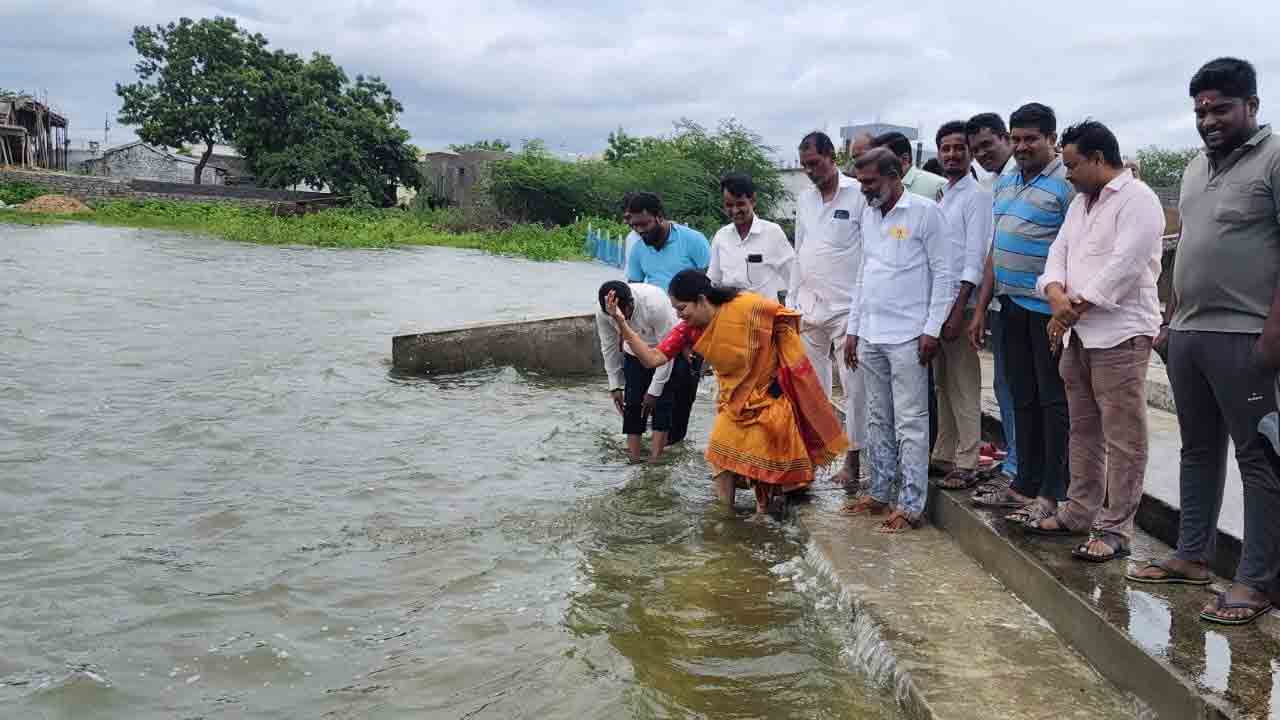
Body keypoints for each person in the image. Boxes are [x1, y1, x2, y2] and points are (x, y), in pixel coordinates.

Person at [1128, 58, 1280, 627]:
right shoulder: (1194, 169)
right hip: (1189, 332)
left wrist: (1273, 334)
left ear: (1252, 106)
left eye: (1220, 108)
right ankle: (1191, 554)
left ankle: (1258, 579)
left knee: (1259, 458)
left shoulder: (1274, 158)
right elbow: (1188, 247)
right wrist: (1170, 320)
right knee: (1197, 449)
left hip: (1247, 337)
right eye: (1200, 110)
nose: (1209, 119)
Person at [1024, 121, 1164, 562]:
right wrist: (1054, 295)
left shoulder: (1139, 200)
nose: (1068, 175)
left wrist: (1071, 309)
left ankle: (1117, 527)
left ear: (1100, 159)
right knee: (1082, 427)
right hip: (1078, 333)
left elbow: (1124, 266)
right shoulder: (1080, 205)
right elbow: (1057, 256)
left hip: (1120, 333)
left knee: (1123, 436)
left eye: (1073, 165)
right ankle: (1080, 511)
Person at [605, 270, 848, 519]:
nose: (678, 315)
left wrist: (780, 377)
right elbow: (652, 358)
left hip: (771, 395)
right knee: (720, 456)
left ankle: (762, 514)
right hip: (734, 400)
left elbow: (785, 324)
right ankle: (724, 515)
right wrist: (621, 323)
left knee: (764, 449)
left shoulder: (747, 306)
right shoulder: (687, 330)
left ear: (701, 299)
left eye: (682, 308)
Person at [969, 103, 1075, 526]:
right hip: (1009, 306)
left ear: (1052, 139)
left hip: (1046, 312)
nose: (1022, 146)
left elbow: (1076, 247)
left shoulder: (1067, 182)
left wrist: (1063, 309)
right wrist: (981, 308)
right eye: (1016, 138)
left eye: (1031, 139)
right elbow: (996, 248)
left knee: (1053, 402)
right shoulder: (1006, 181)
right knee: (1021, 398)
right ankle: (1023, 484)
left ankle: (1054, 491)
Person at [841, 148, 952, 532]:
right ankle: (880, 492)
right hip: (870, 333)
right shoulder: (869, 215)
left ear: (895, 175)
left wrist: (931, 329)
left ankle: (910, 505)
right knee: (877, 418)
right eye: (860, 182)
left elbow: (944, 275)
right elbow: (863, 275)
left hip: (909, 335)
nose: (864, 189)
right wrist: (853, 330)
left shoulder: (925, 212)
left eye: (870, 182)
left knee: (911, 422)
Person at [790, 131, 868, 487]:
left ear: (832, 157)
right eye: (805, 166)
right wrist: (791, 304)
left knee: (854, 389)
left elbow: (870, 254)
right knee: (810, 388)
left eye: (816, 164)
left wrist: (862, 311)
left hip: (847, 309)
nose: (811, 172)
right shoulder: (804, 199)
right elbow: (799, 252)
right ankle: (814, 457)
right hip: (808, 309)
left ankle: (853, 463)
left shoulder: (858, 194)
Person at [931, 121, 993, 490]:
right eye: (946, 148)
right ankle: (945, 452)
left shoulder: (978, 196)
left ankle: (968, 460)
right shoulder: (945, 194)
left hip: (961, 304)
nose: (952, 154)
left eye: (959, 148)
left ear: (969, 152)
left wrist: (960, 309)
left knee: (964, 383)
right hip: (938, 304)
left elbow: (975, 256)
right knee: (942, 383)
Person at [965, 112, 1020, 488]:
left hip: (1035, 304)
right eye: (976, 149)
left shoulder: (1035, 178)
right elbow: (993, 251)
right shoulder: (996, 186)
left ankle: (1027, 467)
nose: (982, 154)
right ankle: (1016, 460)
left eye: (988, 144)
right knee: (1006, 386)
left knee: (1028, 391)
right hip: (1001, 302)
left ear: (1006, 138)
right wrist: (981, 307)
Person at [594, 280, 688, 463]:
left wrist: (654, 391)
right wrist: (615, 386)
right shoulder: (603, 310)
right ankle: (634, 459)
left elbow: (667, 351)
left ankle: (655, 460)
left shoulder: (655, 304)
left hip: (663, 350)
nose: (617, 320)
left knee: (662, 403)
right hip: (633, 353)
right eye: (611, 317)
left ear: (630, 304)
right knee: (632, 405)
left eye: (621, 316)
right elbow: (609, 347)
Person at [709, 173, 795, 302]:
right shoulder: (721, 236)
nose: (735, 210)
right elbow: (714, 281)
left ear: (753, 200)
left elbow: (793, 278)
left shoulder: (772, 233)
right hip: (730, 316)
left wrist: (789, 312)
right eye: (729, 205)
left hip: (764, 316)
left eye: (740, 204)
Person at [625, 192, 711, 290]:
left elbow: (711, 280)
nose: (639, 230)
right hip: (655, 304)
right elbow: (634, 289)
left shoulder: (693, 239)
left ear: (660, 217)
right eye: (635, 225)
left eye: (644, 224)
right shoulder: (638, 249)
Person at [871, 131, 948, 202]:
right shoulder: (875, 186)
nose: (876, 165)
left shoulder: (938, 186)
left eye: (882, 159)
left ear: (905, 159)